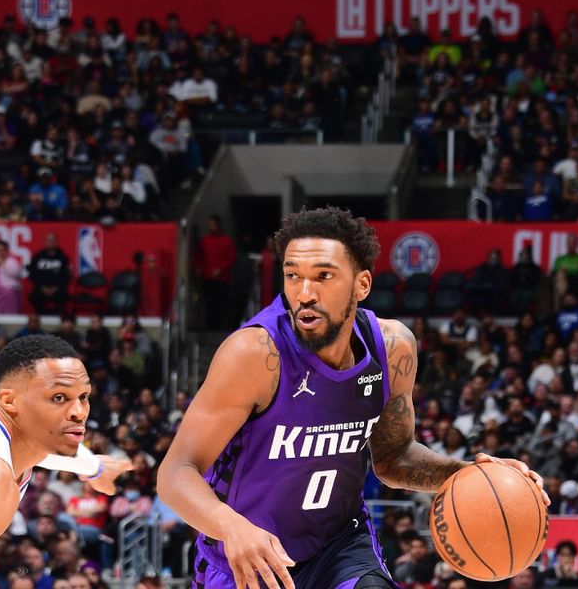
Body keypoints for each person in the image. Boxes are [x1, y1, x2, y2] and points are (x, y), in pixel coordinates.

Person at [157, 207, 548, 589]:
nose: (304, 293)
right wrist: (232, 528)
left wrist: (467, 475)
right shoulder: (255, 355)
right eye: (293, 276)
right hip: (247, 558)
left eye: (323, 276)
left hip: (340, 548)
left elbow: (393, 457)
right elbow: (175, 473)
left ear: (362, 284)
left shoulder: (392, 348)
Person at [0, 335, 132, 588]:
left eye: (83, 396)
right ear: (9, 401)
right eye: (58, 398)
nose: (79, 412)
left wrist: (94, 467)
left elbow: (44, 449)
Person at [28, 232, 72, 314]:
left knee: (63, 296)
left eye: (53, 240)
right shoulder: (38, 256)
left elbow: (67, 276)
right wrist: (42, 287)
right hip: (41, 288)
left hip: (58, 288)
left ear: (57, 242)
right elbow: (32, 274)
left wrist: (56, 287)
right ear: (45, 242)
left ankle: (59, 316)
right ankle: (40, 315)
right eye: (48, 240)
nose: (51, 243)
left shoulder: (63, 257)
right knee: (34, 296)